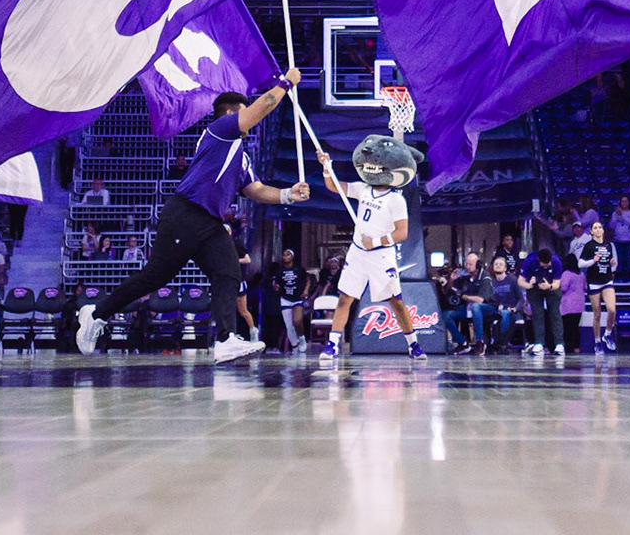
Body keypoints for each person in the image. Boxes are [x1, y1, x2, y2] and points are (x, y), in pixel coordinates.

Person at [78, 71, 310, 365]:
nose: (250, 119)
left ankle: (225, 339)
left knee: (228, 274)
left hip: (210, 223)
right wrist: (286, 83)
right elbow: (261, 108)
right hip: (185, 212)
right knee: (154, 277)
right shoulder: (220, 129)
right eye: (244, 112)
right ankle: (96, 314)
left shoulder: (242, 155)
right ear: (229, 114)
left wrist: (289, 194)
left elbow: (256, 189)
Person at [315, 147, 424, 364]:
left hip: (381, 255)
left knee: (396, 302)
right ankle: (332, 345)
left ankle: (413, 343)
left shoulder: (396, 200)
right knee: (345, 298)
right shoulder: (363, 189)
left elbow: (401, 233)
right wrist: (327, 168)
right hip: (357, 252)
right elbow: (334, 187)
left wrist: (375, 241)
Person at [576, 220, 621, 352]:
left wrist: (613, 263)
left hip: (607, 280)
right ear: (591, 231)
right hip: (594, 282)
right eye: (595, 228)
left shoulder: (609, 245)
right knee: (597, 313)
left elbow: (613, 263)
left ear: (603, 230)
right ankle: (597, 342)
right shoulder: (589, 246)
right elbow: (580, 264)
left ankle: (607, 334)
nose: (597, 229)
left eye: (599, 227)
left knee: (612, 310)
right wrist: (592, 261)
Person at [519, 245, 564, 356]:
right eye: (544, 266)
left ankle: (559, 343)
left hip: (551, 286)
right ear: (538, 260)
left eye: (548, 265)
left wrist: (549, 286)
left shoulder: (556, 262)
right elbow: (520, 281)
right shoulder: (529, 261)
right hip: (534, 288)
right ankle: (539, 343)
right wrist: (529, 285)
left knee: (555, 314)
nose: (546, 267)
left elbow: (557, 283)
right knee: (537, 314)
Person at [271, 248, 313, 351]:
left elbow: (308, 279)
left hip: (297, 298)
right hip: (285, 299)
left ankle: (302, 338)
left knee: (297, 321)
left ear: (292, 257)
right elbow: (276, 283)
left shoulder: (299, 269)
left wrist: (306, 290)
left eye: (288, 254)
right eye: (284, 255)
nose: (285, 257)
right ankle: (295, 346)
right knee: (289, 326)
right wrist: (275, 286)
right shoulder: (280, 271)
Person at [558, 259, 587, 353]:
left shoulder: (566, 274)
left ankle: (568, 347)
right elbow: (585, 287)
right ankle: (576, 347)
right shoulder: (581, 274)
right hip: (580, 303)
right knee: (575, 327)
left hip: (568, 304)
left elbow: (563, 287)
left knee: (567, 327)